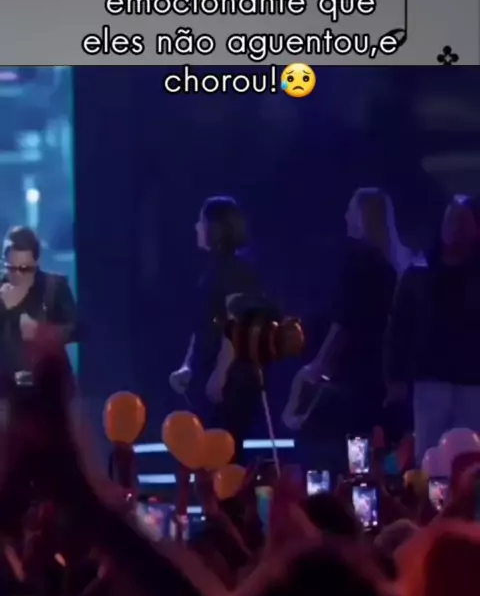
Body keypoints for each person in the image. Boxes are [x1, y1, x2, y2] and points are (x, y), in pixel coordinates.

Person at [284, 187, 410, 475]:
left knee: (336, 453)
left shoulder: (359, 261)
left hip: (351, 378)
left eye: (351, 210)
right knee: (369, 452)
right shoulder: (393, 266)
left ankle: (338, 498)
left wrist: (319, 365)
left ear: (363, 217)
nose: (345, 216)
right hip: (378, 376)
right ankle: (367, 497)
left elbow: (345, 321)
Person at [385, 194, 480, 464]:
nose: (455, 228)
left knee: (470, 459)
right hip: (430, 381)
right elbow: (399, 327)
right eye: (451, 220)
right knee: (428, 456)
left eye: (462, 221)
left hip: (474, 384)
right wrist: (394, 378)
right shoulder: (419, 272)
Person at [169, 196, 266, 461]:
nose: (196, 227)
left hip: (231, 379)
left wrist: (221, 373)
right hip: (207, 371)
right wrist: (188, 367)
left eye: (201, 221)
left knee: (224, 452)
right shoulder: (212, 270)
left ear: (216, 227)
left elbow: (236, 323)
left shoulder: (237, 270)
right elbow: (203, 325)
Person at [0, 227, 78, 402]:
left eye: (25, 269)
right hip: (7, 394)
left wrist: (41, 331)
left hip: (49, 392)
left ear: (37, 262)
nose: (17, 275)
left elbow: (77, 329)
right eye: (11, 268)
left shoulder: (54, 288)